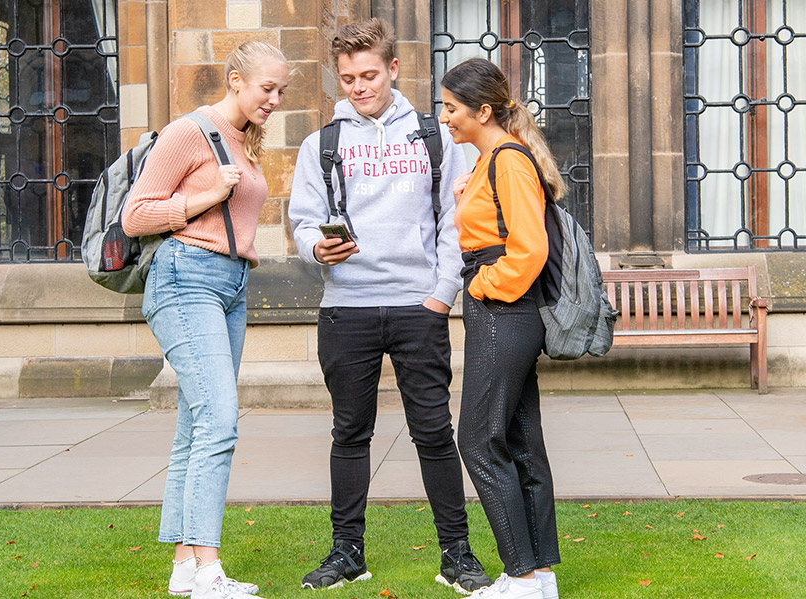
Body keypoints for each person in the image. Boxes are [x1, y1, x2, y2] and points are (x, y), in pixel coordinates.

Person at [287, 18, 491, 594]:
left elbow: (456, 221)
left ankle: (457, 554)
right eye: (348, 77)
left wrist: (440, 295)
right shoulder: (320, 143)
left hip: (416, 308)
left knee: (433, 433)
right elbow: (301, 224)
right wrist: (317, 247)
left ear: (394, 69)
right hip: (345, 308)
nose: (358, 86)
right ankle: (346, 551)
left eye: (368, 74)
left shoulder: (434, 136)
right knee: (349, 435)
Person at [122, 42, 288, 599]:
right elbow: (136, 214)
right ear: (236, 80)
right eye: (267, 87)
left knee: (196, 425)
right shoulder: (189, 132)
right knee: (220, 420)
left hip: (231, 285)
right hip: (185, 276)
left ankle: (184, 567)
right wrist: (204, 198)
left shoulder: (244, 139)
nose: (276, 99)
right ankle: (209, 569)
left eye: (282, 90)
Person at [439, 57, 562, 599]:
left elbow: (529, 248)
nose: (444, 117)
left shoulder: (507, 160)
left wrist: (483, 287)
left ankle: (518, 577)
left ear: (482, 110)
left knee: (479, 442)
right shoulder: (494, 160)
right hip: (507, 312)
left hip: (502, 309)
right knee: (518, 441)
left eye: (451, 108)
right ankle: (538, 576)